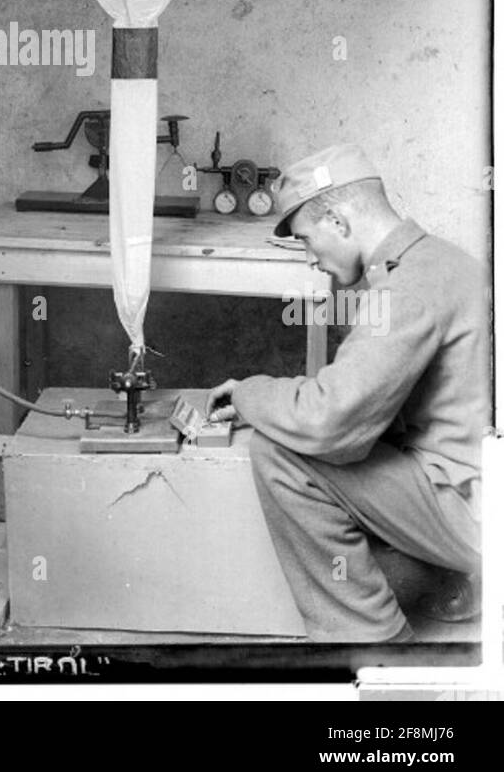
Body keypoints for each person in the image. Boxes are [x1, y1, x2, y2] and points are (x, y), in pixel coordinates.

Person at [206, 144, 491, 643]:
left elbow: (331, 424)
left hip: (475, 513)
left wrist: (251, 395)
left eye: (306, 239)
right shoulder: (444, 262)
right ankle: (449, 581)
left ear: (338, 221)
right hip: (481, 484)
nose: (312, 259)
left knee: (281, 452)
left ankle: (375, 645)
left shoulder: (406, 290)